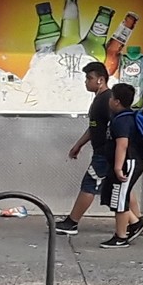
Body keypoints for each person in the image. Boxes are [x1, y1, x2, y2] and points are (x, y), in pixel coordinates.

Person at [53, 62, 113, 235]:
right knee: (120, 186)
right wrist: (79, 145)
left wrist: (113, 150)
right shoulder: (99, 99)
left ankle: (72, 222)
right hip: (103, 151)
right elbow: (94, 128)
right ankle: (135, 222)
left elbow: (114, 126)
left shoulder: (107, 100)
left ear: (100, 80)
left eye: (89, 78)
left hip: (104, 153)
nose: (86, 82)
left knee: (89, 184)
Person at [99, 82, 143, 247]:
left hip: (128, 163)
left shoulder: (123, 121)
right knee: (113, 196)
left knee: (120, 200)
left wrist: (117, 167)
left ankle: (121, 237)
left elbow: (122, 144)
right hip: (126, 163)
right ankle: (136, 224)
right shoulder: (122, 117)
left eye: (112, 97)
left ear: (117, 101)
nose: (110, 100)